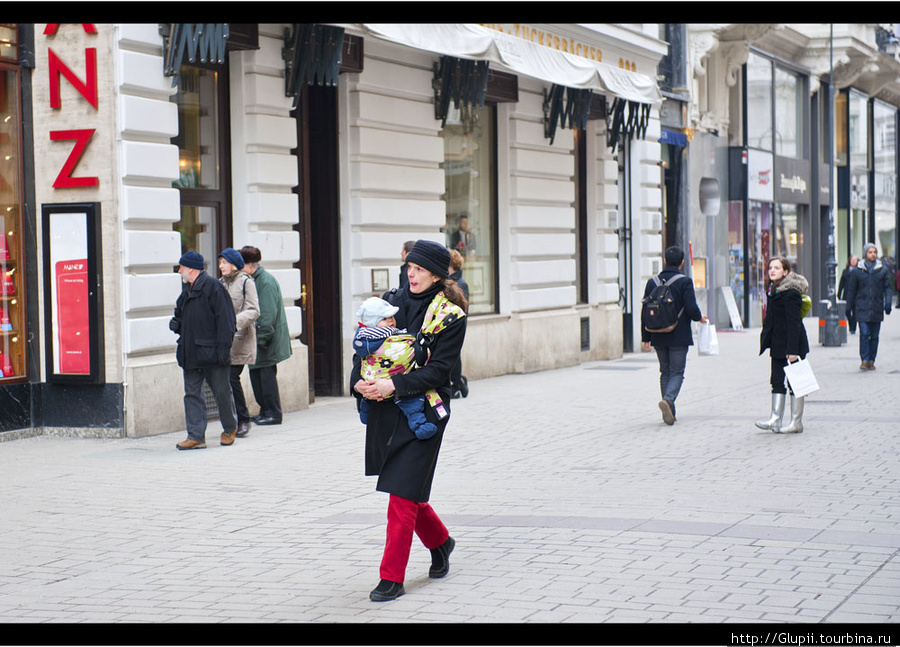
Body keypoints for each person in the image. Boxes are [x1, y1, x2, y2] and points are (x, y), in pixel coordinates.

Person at [352, 239, 467, 602]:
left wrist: (394, 384)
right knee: (407, 488)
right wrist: (358, 382)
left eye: (418, 269)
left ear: (436, 274)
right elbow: (364, 343)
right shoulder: (392, 302)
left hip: (427, 411)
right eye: (409, 268)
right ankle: (441, 542)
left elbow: (440, 371)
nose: (410, 274)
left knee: (401, 492)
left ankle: (391, 578)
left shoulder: (450, 314)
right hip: (388, 407)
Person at [169, 251, 237, 450]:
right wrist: (177, 325)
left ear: (190, 268)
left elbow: (226, 321)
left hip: (212, 353)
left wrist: (224, 350)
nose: (180, 270)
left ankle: (229, 428)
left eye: (181, 267)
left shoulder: (214, 287)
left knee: (222, 392)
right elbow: (182, 316)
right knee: (192, 394)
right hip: (190, 353)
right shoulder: (187, 290)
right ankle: (196, 436)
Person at [352, 296, 440, 440]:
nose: (392, 321)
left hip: (391, 383)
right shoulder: (379, 335)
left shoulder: (364, 338)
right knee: (411, 404)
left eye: (392, 317)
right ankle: (419, 425)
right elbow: (359, 359)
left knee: (409, 403)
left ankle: (366, 410)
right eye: (386, 318)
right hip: (387, 385)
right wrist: (357, 385)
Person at [641, 246, 707, 426]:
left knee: (665, 371)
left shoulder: (652, 282)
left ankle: (670, 408)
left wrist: (645, 337)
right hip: (678, 334)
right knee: (677, 371)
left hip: (657, 334)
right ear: (682, 262)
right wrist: (699, 318)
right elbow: (691, 307)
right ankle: (669, 400)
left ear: (664, 261)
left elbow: (645, 310)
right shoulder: (684, 282)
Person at [755, 257, 810, 434]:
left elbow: (794, 323)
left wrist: (793, 350)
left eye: (777, 268)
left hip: (792, 344)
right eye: (770, 267)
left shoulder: (791, 293)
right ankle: (775, 419)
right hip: (777, 343)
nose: (772, 270)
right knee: (776, 380)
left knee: (795, 381)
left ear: (785, 272)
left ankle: (796, 422)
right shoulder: (773, 290)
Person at [240, 246, 292, 424]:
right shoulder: (254, 279)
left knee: (266, 377)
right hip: (259, 339)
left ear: (249, 265)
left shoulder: (265, 282)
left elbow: (268, 315)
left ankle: (274, 413)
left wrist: (260, 339)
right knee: (257, 376)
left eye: (241, 265)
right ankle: (264, 411)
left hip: (266, 340)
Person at [218, 248, 260, 440]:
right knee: (225, 381)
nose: (220, 266)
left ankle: (243, 419)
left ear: (234, 264)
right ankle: (233, 420)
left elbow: (253, 310)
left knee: (232, 378)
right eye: (219, 263)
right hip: (221, 342)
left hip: (239, 340)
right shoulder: (219, 284)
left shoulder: (246, 282)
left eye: (224, 263)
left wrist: (232, 324)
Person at [844, 243, 892, 370]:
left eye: (874, 252)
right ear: (865, 254)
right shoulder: (857, 271)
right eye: (870, 252)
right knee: (864, 334)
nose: (873, 254)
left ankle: (872, 360)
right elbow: (852, 291)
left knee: (875, 336)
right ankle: (864, 360)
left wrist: (887, 303)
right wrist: (848, 308)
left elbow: (887, 288)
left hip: (876, 307)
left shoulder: (883, 270)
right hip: (862, 307)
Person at [448, 249, 469, 399]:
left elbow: (462, 308)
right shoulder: (448, 282)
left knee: (455, 355)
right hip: (448, 324)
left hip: (456, 324)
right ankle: (459, 382)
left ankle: (457, 384)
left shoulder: (460, 284)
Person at [838, 255, 859, 334]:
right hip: (847, 295)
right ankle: (850, 324)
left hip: (856, 295)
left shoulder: (859, 271)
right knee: (847, 311)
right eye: (852, 260)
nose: (853, 261)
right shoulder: (845, 271)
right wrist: (839, 293)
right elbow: (841, 283)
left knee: (855, 312)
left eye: (855, 260)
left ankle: (853, 327)